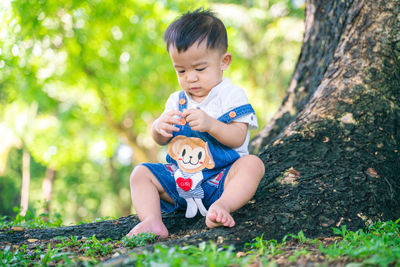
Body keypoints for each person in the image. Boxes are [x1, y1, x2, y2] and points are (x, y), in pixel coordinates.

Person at [126, 8, 265, 238]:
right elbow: (162, 140)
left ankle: (222, 207)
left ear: (224, 61)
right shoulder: (177, 100)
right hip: (181, 181)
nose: (190, 78)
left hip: (221, 181)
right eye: (181, 71)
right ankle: (152, 220)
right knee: (141, 173)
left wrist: (211, 125)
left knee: (252, 165)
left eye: (200, 69)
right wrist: (158, 128)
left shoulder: (230, 95)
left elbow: (238, 137)